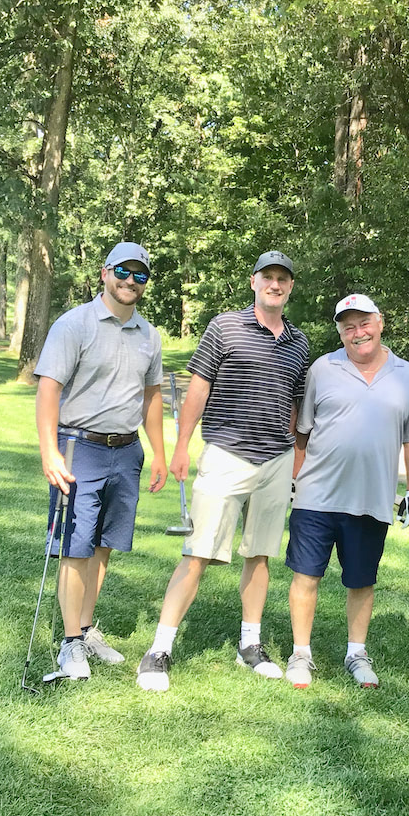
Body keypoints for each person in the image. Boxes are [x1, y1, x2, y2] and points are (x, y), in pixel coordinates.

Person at [137, 251, 310, 692]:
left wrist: (294, 459)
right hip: (226, 453)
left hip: (273, 461)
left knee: (260, 555)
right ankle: (159, 648)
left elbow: (294, 404)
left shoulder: (299, 343)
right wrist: (181, 446)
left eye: (282, 279)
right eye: (267, 277)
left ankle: (249, 645)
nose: (275, 285)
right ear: (253, 282)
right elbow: (198, 388)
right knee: (198, 554)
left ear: (290, 287)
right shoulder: (224, 326)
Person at [34, 241, 168, 680]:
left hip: (126, 450)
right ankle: (70, 644)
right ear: (105, 272)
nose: (131, 281)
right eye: (123, 272)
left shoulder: (150, 336)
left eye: (140, 275)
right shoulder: (75, 324)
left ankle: (86, 629)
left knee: (104, 546)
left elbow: (151, 397)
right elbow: (49, 389)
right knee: (75, 547)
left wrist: (160, 453)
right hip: (79, 446)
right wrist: (49, 450)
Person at [284, 294, 409, 689]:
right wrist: (295, 483)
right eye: (348, 326)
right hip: (316, 495)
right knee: (306, 576)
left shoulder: (407, 375)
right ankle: (300, 654)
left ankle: (356, 652)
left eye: (364, 323)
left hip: (372, 499)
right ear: (340, 331)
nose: (357, 332)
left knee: (362, 581)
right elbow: (302, 431)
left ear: (380, 323)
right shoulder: (323, 368)